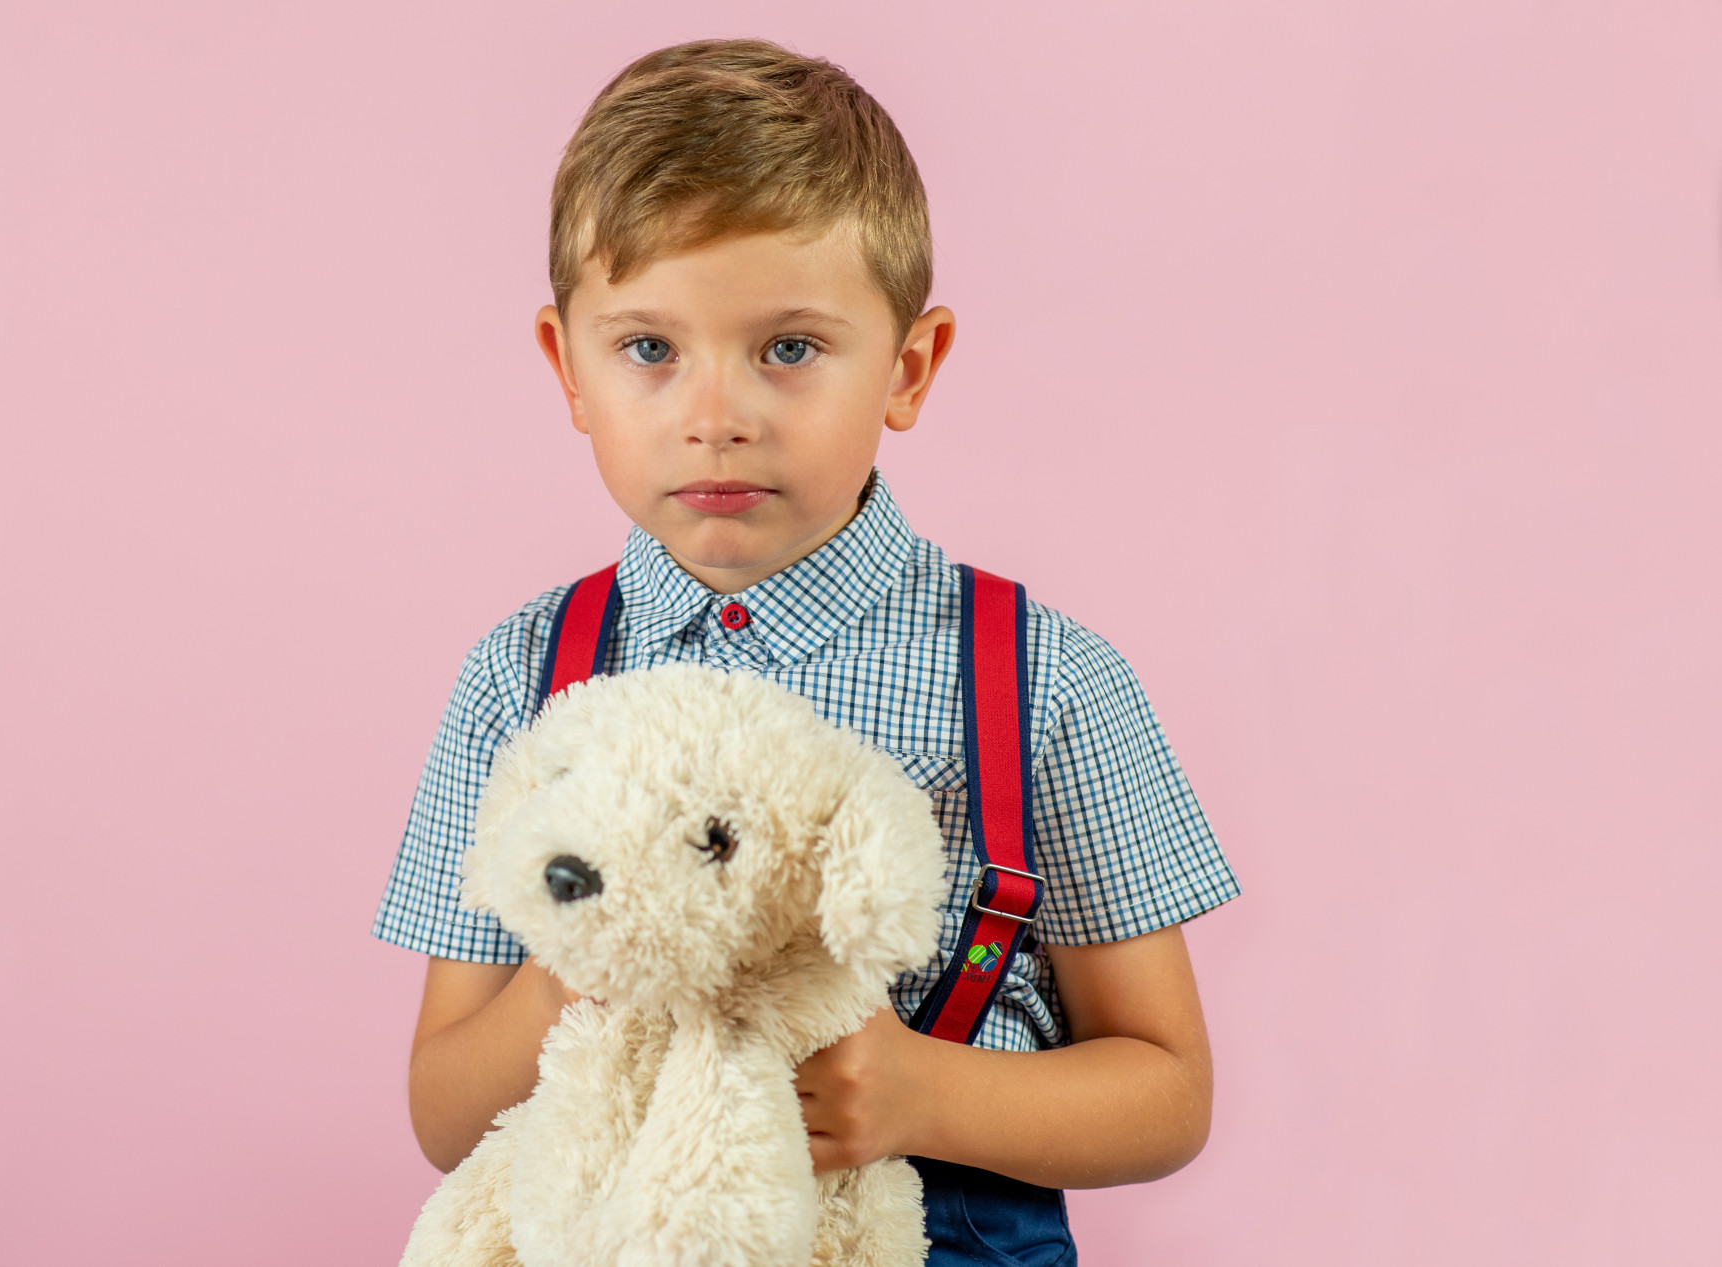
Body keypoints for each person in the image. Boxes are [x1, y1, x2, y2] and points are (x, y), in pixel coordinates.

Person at [373, 38, 1239, 1264]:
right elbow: (444, 1112)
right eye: (648, 349)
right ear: (567, 367)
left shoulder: (1038, 678)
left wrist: (922, 1093)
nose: (714, 413)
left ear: (909, 365)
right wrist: (585, 960)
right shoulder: (522, 677)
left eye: (788, 347)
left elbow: (1168, 1090)